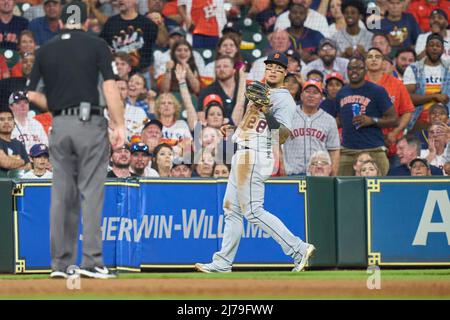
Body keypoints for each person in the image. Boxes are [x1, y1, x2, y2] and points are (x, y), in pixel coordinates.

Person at [26, 1, 125, 279]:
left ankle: (60, 265)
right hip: (89, 122)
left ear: (61, 20)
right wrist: (119, 125)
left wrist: (57, 105)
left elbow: (32, 95)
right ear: (85, 21)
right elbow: (109, 87)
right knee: (91, 191)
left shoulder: (45, 49)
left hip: (59, 124)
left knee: (62, 195)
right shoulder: (97, 45)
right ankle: (92, 262)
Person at [194, 51, 316, 274]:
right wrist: (234, 130)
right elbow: (253, 125)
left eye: (278, 68)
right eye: (270, 66)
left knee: (252, 211)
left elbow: (283, 136)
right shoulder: (261, 91)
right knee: (231, 210)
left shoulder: (284, 98)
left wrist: (266, 112)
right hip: (243, 151)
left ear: (285, 73)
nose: (273, 70)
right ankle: (222, 263)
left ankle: (299, 248)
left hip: (257, 155)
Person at [336, 56, 398, 176]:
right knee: (342, 188)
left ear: (365, 70)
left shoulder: (377, 91)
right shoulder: (341, 93)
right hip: (348, 149)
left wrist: (372, 120)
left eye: (358, 68)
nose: (354, 71)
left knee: (379, 189)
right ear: (347, 71)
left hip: (373, 148)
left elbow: (394, 119)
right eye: (351, 68)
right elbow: (341, 119)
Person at [365, 47, 414, 168]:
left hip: (392, 145)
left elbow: (407, 111)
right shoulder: (358, 84)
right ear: (365, 62)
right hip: (365, 145)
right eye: (370, 57)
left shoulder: (397, 84)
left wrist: (395, 132)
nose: (374, 60)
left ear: (383, 62)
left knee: (394, 184)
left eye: (377, 57)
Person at [283, 80, 340, 176]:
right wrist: (281, 168)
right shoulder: (287, 115)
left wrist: (333, 175)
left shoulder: (329, 120)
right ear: (301, 95)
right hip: (292, 173)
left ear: (321, 98)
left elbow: (334, 150)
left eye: (315, 93)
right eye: (307, 91)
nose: (311, 95)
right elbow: (276, 144)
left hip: (319, 175)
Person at [404, 33, 450, 133]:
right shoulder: (413, 69)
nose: (434, 48)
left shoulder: (449, 69)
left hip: (446, 122)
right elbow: (407, 98)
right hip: (419, 121)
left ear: (443, 50)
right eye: (431, 45)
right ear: (425, 48)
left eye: (438, 45)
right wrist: (434, 97)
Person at [100, 0, 158, 76]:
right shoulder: (111, 22)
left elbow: (161, 43)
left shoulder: (147, 23)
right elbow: (102, 45)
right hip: (116, 72)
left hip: (140, 74)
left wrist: (161, 25)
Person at [197, 55, 247, 125]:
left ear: (234, 70)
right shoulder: (206, 91)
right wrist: (197, 135)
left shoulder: (245, 89)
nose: (221, 69)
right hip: (215, 132)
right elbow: (200, 119)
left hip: (243, 131)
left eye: (225, 66)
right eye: (218, 67)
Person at [0, 109, 30, 178]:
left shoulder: (18, 144)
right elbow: (5, 162)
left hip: (18, 184)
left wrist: (10, 160)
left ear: (14, 124)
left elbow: (28, 166)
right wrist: (21, 161)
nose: (6, 122)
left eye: (10, 119)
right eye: (2, 119)